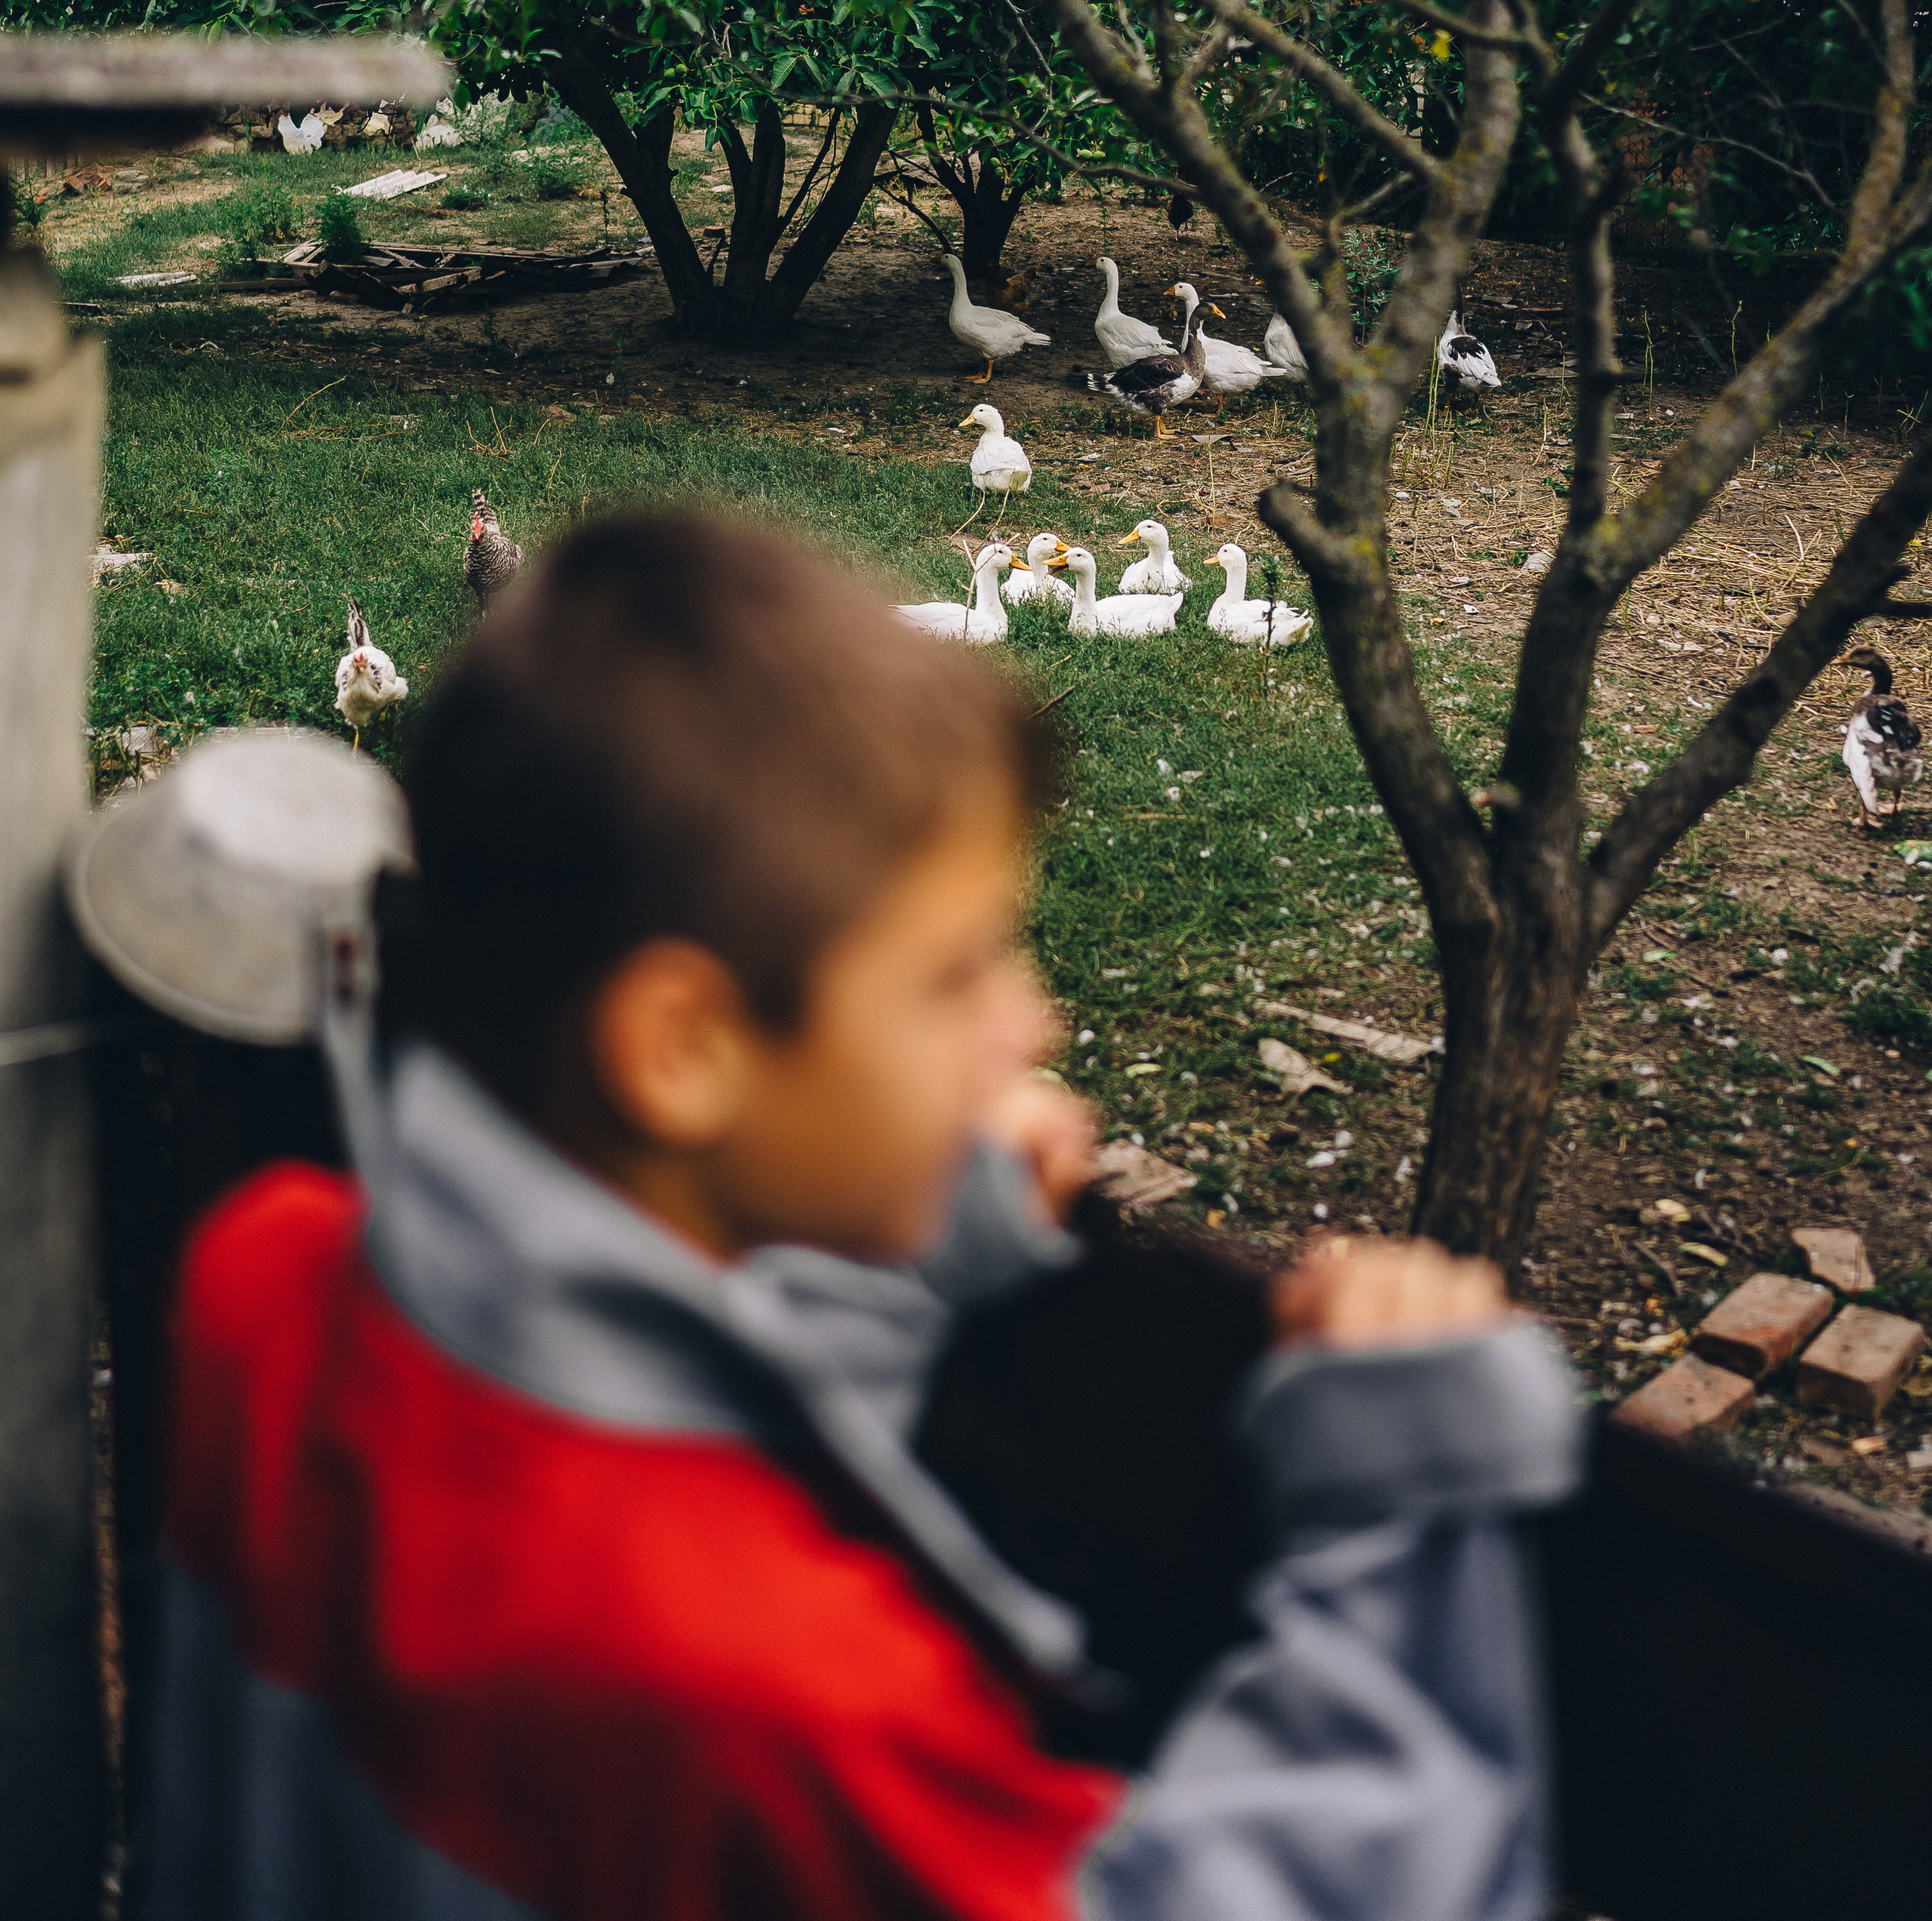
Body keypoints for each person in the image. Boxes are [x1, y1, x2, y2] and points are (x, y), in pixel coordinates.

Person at [142, 511, 1582, 1921]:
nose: (1037, 1019)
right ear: (685, 1049)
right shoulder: (768, 1697)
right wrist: (1406, 1514)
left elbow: (619, 1380)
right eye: (957, 975)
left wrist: (899, 1266)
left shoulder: (262, 1276)